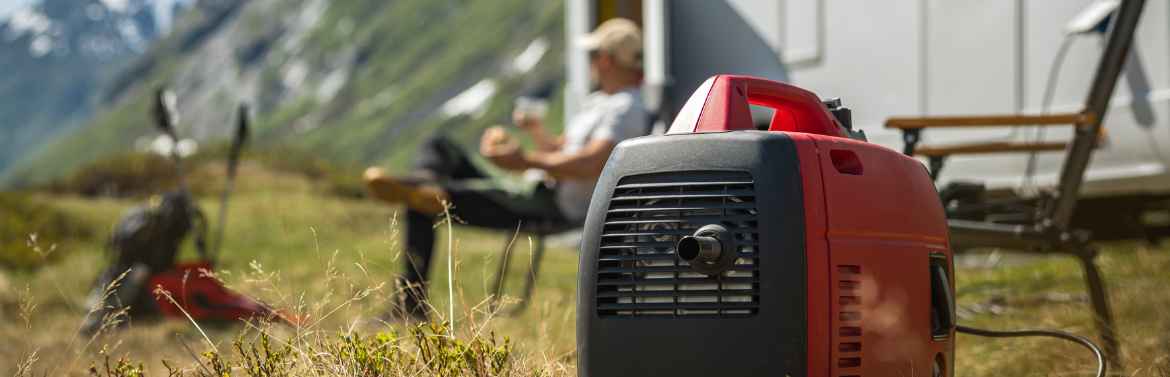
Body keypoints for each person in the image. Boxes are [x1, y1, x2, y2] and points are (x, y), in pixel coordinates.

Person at [363, 18, 648, 321]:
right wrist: (536, 132)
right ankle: (424, 182)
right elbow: (564, 151)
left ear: (606, 59)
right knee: (439, 148)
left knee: (421, 199)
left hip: (547, 205)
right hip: (531, 190)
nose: (591, 63)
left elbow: (592, 164)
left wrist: (524, 161)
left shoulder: (626, 108)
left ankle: (412, 303)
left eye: (593, 55)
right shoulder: (602, 102)